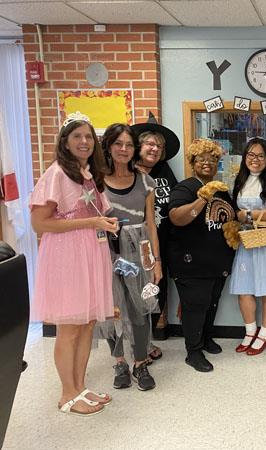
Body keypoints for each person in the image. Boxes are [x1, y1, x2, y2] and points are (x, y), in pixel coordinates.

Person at [30, 112, 118, 416]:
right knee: (69, 327)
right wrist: (91, 221)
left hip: (91, 252)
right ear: (65, 142)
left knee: (87, 323)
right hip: (67, 257)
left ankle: (80, 386)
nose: (84, 141)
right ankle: (66, 394)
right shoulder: (56, 174)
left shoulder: (90, 175)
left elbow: (92, 211)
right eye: (77, 136)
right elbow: (40, 223)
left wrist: (104, 221)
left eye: (89, 137)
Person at [100, 123, 162, 391]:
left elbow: (151, 224)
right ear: (109, 147)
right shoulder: (95, 182)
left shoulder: (146, 181)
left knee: (140, 306)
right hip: (106, 251)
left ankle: (140, 362)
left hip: (139, 250)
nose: (123, 149)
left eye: (128, 144)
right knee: (112, 309)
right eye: (118, 144)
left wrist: (156, 262)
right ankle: (119, 362)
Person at [168, 139, 235, 372]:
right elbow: (177, 217)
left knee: (211, 303)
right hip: (191, 263)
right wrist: (203, 197)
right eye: (202, 159)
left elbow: (231, 217)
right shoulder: (185, 188)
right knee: (195, 306)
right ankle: (193, 352)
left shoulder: (221, 189)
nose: (208, 163)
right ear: (192, 162)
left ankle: (206, 338)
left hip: (216, 261)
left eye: (213, 159)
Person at [230, 137, 266, 356]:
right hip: (247, 239)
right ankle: (250, 331)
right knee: (244, 287)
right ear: (245, 157)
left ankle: (264, 334)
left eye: (260, 156)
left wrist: (247, 215)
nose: (255, 160)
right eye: (251, 155)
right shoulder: (239, 180)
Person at [132, 112, 180, 345]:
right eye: (150, 144)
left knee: (156, 291)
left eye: (159, 146)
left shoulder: (164, 171)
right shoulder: (127, 173)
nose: (155, 149)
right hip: (133, 246)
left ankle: (149, 340)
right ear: (138, 145)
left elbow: (175, 200)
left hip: (162, 245)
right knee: (134, 294)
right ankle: (137, 343)